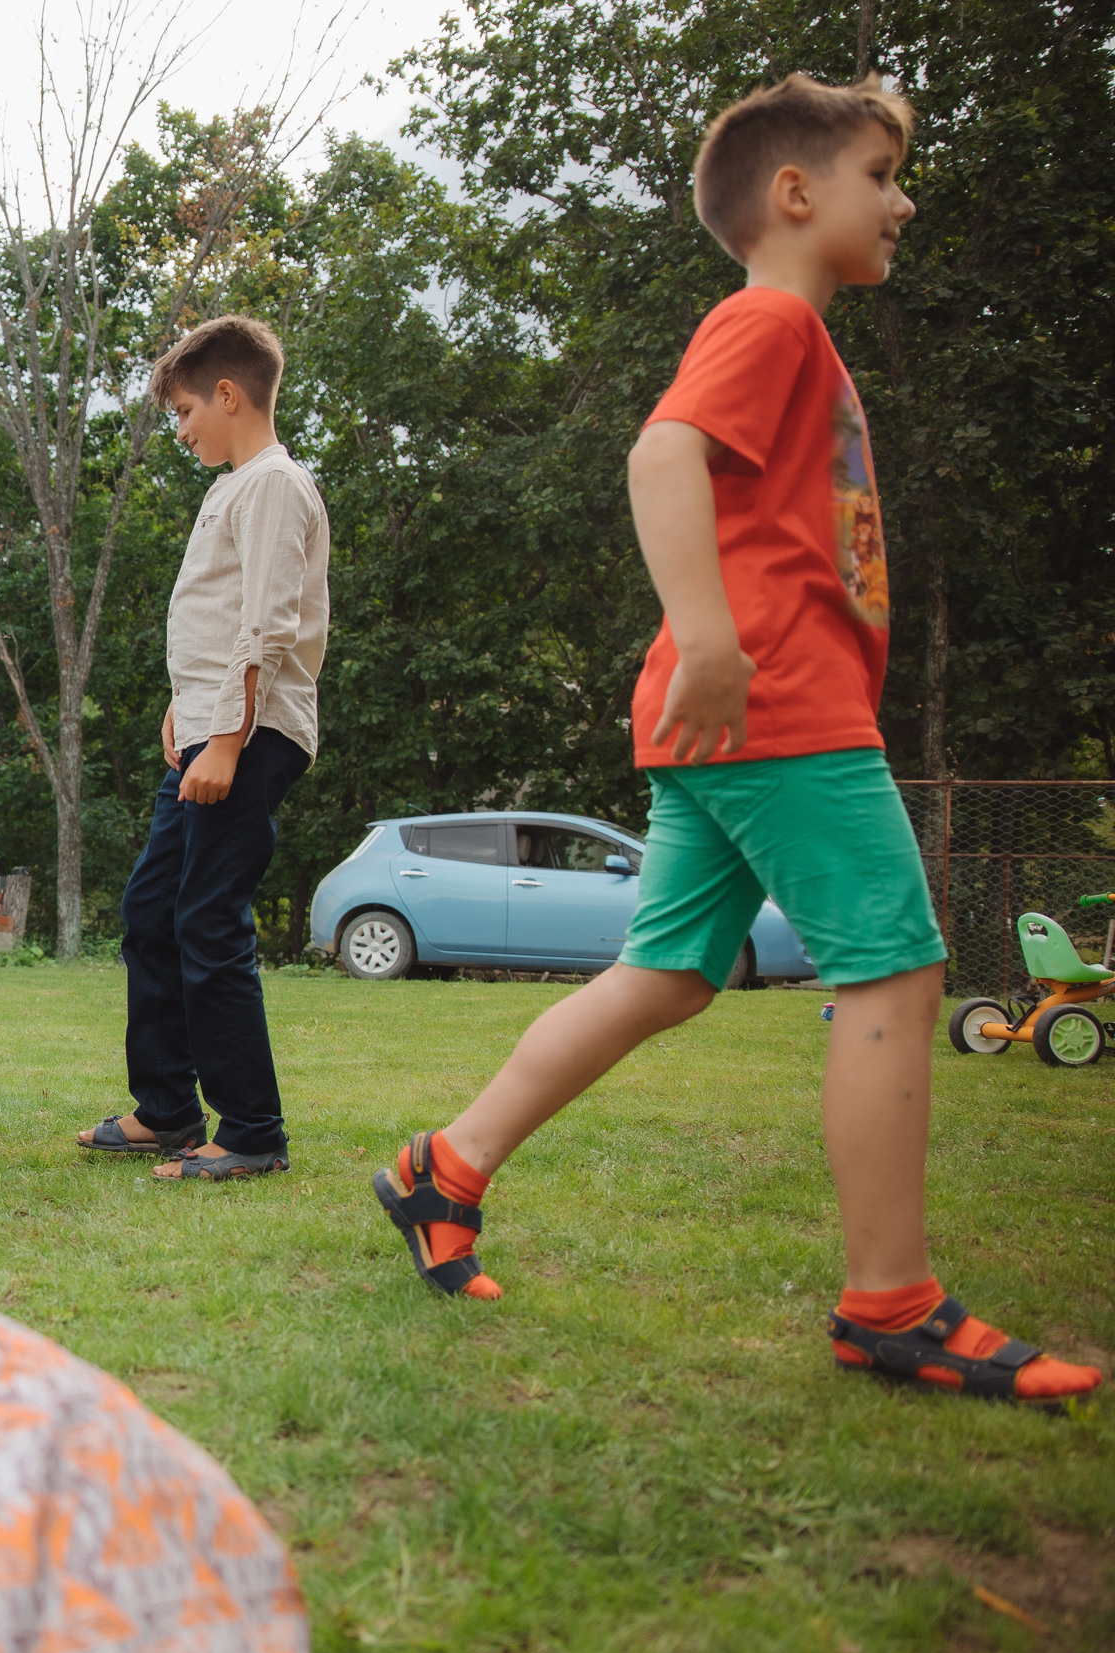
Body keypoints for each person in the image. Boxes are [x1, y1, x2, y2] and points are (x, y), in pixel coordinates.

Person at [365, 75, 1099, 1405]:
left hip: (734, 712)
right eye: (883, 173)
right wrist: (707, 633)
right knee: (895, 970)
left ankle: (444, 1167)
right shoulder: (771, 320)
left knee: (668, 972)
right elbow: (662, 457)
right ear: (797, 194)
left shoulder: (800, 340)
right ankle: (894, 1302)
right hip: (773, 700)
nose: (905, 198)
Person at [76, 315, 326, 1183]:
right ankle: (168, 1109)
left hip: (247, 740)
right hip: (210, 731)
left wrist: (224, 739)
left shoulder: (273, 485)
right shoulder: (235, 486)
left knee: (207, 921)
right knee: (152, 911)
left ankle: (252, 1128)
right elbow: (216, 624)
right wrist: (186, 714)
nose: (180, 430)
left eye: (184, 411)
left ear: (228, 394)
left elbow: (265, 621)